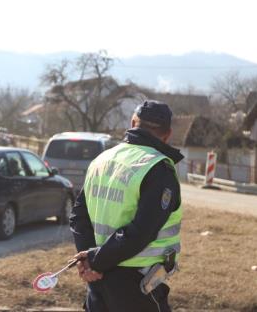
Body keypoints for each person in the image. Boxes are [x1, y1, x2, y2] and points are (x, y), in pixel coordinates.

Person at [69, 100, 184, 312]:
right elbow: (141, 232)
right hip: (136, 284)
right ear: (167, 134)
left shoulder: (101, 160)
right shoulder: (158, 168)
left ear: (132, 123)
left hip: (98, 282)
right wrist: (93, 260)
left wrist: (89, 261)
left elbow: (78, 216)